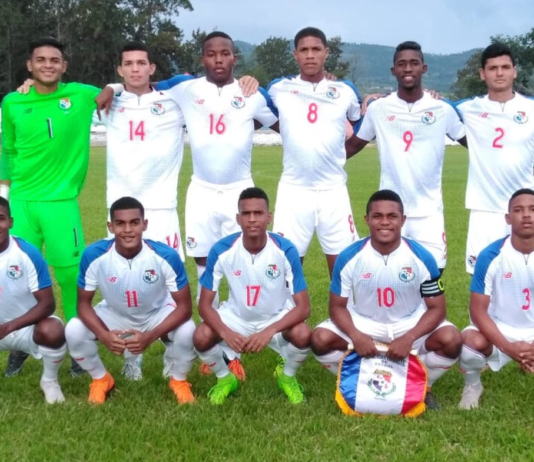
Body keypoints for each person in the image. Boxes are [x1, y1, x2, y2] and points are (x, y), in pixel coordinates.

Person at [0, 37, 100, 376]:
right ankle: (22, 344)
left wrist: (114, 88)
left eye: (54, 60)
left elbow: (115, 90)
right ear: (29, 65)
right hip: (21, 202)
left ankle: (77, 346)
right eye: (40, 60)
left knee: (71, 277)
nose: (47, 65)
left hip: (61, 204)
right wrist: (4, 195)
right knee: (16, 276)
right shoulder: (13, 101)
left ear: (64, 66)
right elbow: (8, 149)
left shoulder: (81, 95)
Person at [311, 190, 462, 410]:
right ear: (366, 219)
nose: (385, 222)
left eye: (392, 216)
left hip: (408, 322)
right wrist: (356, 335)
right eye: (377, 216)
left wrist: (409, 337)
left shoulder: (422, 257)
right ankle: (357, 378)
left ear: (403, 220)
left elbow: (437, 309)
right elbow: (337, 307)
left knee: (452, 340)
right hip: (364, 323)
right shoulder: (349, 256)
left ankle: (423, 385)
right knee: (320, 339)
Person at [96, 41, 188, 380]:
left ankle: (172, 356)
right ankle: (130, 356)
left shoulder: (174, 102)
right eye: (128, 64)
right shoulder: (107, 103)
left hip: (161, 209)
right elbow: (65, 96)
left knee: (169, 287)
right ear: (120, 70)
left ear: (152, 68)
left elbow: (202, 86)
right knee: (122, 286)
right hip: (120, 214)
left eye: (141, 63)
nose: (135, 69)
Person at [346, 41, 467, 271]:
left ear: (424, 68)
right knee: (389, 276)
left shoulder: (442, 109)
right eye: (402, 64)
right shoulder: (379, 109)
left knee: (433, 278)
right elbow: (351, 147)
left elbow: (476, 145)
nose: (408, 68)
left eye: (414, 63)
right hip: (389, 213)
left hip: (429, 213)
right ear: (394, 70)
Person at [65, 197, 197, 405]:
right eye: (120, 223)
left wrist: (150, 336)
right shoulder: (93, 255)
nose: (127, 230)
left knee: (188, 330)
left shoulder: (165, 255)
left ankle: (178, 380)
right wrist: (104, 335)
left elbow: (185, 308)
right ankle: (101, 379)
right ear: (110, 226)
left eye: (134, 222)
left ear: (145, 224)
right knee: (74, 329)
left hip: (157, 312)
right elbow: (83, 304)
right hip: (115, 313)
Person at [193, 187, 311, 405]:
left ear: (269, 217)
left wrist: (269, 331)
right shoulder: (222, 249)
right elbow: (204, 305)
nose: (252, 219)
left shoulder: (285, 250)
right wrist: (225, 332)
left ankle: (287, 377)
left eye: (258, 213)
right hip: (236, 318)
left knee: (303, 333)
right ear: (238, 218)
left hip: (275, 317)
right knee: (201, 336)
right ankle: (225, 379)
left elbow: (303, 307)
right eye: (246, 214)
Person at [267, 27, 361, 278]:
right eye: (304, 50)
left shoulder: (345, 90)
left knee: (344, 268)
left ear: (326, 53)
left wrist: (340, 152)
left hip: (333, 190)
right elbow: (261, 113)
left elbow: (360, 121)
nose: (310, 55)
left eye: (316, 49)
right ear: (295, 54)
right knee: (285, 268)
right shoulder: (278, 88)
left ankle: (343, 306)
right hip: (294, 190)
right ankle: (286, 306)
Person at [455, 43, 534, 273]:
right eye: (492, 68)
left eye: (505, 67)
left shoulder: (531, 108)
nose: (499, 73)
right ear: (482, 73)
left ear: (514, 71)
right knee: (483, 277)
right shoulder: (467, 108)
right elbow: (434, 108)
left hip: (525, 208)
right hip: (484, 209)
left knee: (527, 274)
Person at [459, 188, 534, 410]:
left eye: (532, 209)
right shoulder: (490, 256)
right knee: (469, 343)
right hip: (501, 329)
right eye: (518, 210)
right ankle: (473, 386)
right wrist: (507, 347)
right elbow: (477, 311)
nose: (526, 215)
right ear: (508, 218)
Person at [0, 197, 66, 403]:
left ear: (10, 221)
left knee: (53, 330)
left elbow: (48, 304)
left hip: (24, 327)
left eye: (0, 219)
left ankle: (50, 381)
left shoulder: (26, 252)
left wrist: (8, 327)